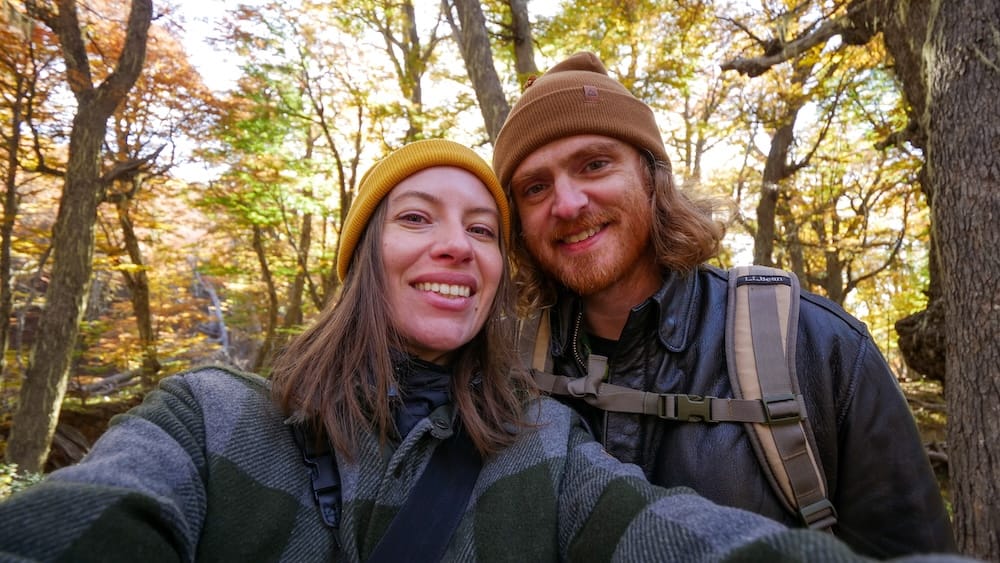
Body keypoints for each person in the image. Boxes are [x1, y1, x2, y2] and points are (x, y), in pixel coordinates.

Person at [0, 139, 908, 562]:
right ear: (362, 258)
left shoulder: (541, 447)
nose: (456, 244)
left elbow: (700, 544)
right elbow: (84, 521)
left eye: (481, 227)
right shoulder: (210, 420)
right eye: (417, 218)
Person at [491, 52, 956, 559]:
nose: (567, 203)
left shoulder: (816, 348)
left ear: (652, 178)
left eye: (595, 164)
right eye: (535, 187)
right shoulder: (507, 368)